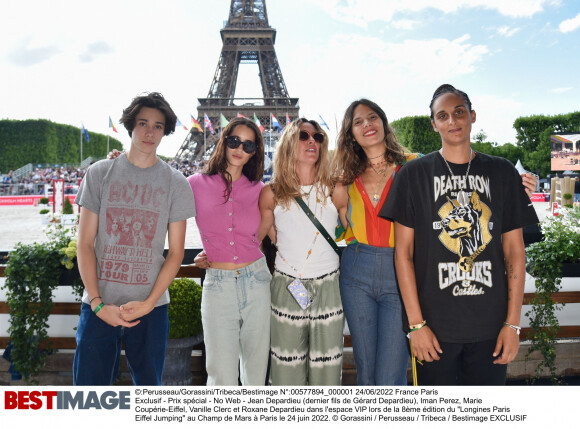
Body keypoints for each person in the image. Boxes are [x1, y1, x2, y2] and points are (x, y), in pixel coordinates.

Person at [381, 84, 539, 385]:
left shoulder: (503, 172)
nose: (452, 121)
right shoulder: (413, 175)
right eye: (443, 115)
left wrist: (513, 324)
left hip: (492, 326)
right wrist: (416, 325)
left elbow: (515, 253)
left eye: (459, 112)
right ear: (433, 124)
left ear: (472, 116)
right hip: (433, 327)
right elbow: (403, 254)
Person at [73, 92, 195, 385]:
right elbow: (85, 244)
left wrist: (149, 303)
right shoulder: (99, 173)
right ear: (131, 125)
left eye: (157, 125)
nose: (149, 131)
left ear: (165, 132)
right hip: (99, 303)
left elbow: (176, 253)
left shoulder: (176, 183)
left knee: (148, 394)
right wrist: (98, 303)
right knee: (89, 393)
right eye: (143, 123)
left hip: (150, 309)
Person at [331, 99, 417, 385]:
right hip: (356, 268)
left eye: (372, 117)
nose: (367, 124)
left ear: (383, 122)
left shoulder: (413, 166)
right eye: (358, 121)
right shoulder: (345, 179)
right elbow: (339, 226)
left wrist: (511, 183)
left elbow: (457, 183)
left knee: (391, 373)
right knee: (365, 370)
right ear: (351, 133)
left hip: (400, 269)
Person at [258, 118, 344, 385]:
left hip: (329, 286)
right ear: (288, 144)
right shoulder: (270, 193)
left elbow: (354, 231)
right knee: (286, 372)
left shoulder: (335, 188)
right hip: (288, 285)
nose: (312, 141)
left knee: (327, 374)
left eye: (317, 137)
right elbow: (259, 238)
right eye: (304, 135)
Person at [189, 117, 271, 386]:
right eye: (234, 141)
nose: (240, 148)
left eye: (248, 145)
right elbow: (158, 195)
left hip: (257, 280)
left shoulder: (261, 190)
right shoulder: (194, 184)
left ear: (255, 152)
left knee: (256, 372)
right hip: (218, 285)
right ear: (223, 141)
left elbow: (272, 233)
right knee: (220, 374)